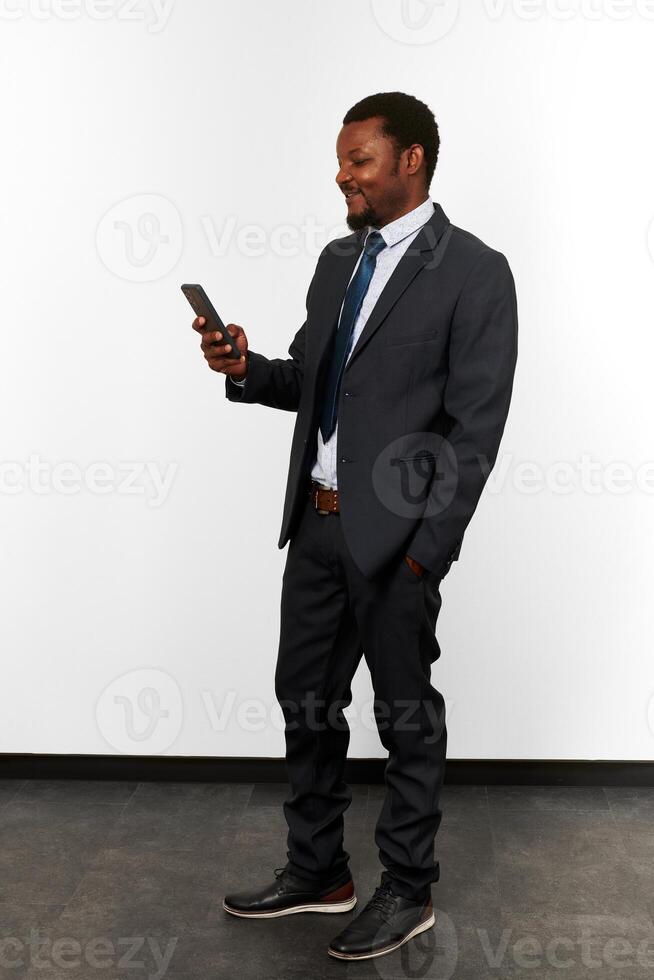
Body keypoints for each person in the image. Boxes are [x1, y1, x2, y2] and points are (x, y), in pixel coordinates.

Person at [191, 91, 518, 962]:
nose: (342, 175)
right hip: (318, 526)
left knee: (405, 716)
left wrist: (426, 551)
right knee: (304, 701)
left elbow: (475, 429)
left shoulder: (475, 271)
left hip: (397, 542)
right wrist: (245, 366)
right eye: (341, 161)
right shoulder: (341, 259)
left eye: (359, 160)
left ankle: (408, 889)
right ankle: (318, 873)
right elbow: (311, 377)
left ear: (410, 160)